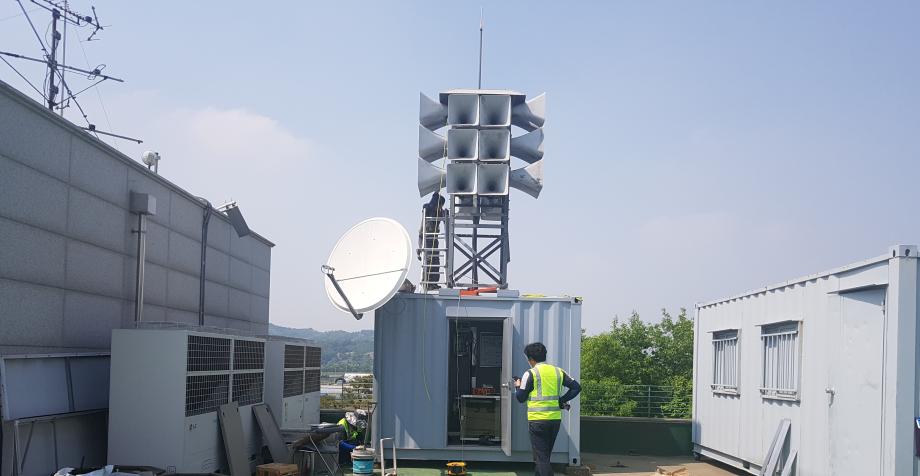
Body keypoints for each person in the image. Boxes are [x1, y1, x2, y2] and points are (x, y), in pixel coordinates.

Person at [514, 342, 581, 476]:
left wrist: (518, 385)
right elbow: (576, 387)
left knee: (541, 458)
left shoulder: (530, 373)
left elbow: (520, 398)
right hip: (554, 420)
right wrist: (561, 400)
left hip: (537, 421)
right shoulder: (558, 371)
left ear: (531, 359)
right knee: (543, 457)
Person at [417, 192, 446, 290]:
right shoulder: (428, 209)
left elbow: (445, 218)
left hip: (434, 239)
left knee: (436, 261)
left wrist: (444, 212)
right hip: (426, 238)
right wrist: (436, 193)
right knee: (428, 260)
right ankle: (427, 283)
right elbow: (426, 207)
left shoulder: (439, 211)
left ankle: (433, 283)